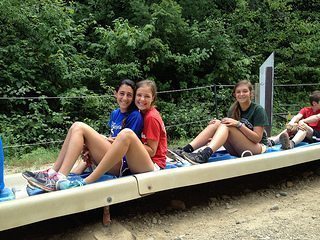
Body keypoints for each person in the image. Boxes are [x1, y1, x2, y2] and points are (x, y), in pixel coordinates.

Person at [27, 79, 167, 191]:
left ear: (153, 98)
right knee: (76, 126)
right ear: (115, 94)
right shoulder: (121, 114)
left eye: (146, 96)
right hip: (124, 159)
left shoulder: (146, 117)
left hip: (143, 164)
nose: (141, 99)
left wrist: (114, 142)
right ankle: (53, 173)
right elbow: (117, 141)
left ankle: (63, 177)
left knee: (118, 133)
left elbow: (149, 150)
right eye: (139, 95)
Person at [174, 80, 269, 164]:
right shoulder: (234, 109)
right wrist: (216, 137)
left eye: (245, 91)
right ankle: (185, 150)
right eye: (238, 92)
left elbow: (257, 138)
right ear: (234, 95)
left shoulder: (258, 110)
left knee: (227, 125)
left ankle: (204, 155)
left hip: (257, 148)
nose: (241, 94)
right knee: (217, 123)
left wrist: (239, 124)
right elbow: (228, 132)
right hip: (237, 148)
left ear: (251, 94)